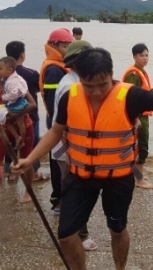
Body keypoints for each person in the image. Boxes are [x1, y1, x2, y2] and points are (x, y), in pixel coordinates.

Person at [10, 47, 153, 270]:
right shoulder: (71, 95)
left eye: (102, 85)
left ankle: (120, 267)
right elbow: (55, 132)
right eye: (89, 86)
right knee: (67, 235)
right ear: (80, 78)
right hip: (80, 176)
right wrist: (29, 159)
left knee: (117, 229)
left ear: (111, 75)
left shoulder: (131, 96)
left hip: (118, 178)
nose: (96, 92)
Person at [50, 39, 97, 250]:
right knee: (75, 191)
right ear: (77, 63)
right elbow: (63, 127)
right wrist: (72, 152)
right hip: (67, 148)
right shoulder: (70, 85)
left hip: (75, 147)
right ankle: (79, 235)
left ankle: (75, 231)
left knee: (76, 189)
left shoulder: (80, 81)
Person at [0, 56, 38, 206]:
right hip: (2, 131)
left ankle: (28, 191)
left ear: (2, 68)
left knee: (26, 160)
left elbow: (32, 104)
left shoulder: (14, 83)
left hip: (25, 126)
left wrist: (13, 115)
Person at [39, 28, 73, 210]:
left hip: (55, 119)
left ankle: (61, 198)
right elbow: (54, 101)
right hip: (56, 120)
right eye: (65, 46)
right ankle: (58, 200)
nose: (67, 50)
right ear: (53, 46)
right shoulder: (53, 69)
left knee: (59, 159)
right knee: (57, 161)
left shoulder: (57, 65)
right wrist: (60, 127)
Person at [5, 41, 46, 181]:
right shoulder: (31, 73)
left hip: (8, 115)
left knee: (11, 143)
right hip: (30, 116)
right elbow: (40, 89)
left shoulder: (4, 74)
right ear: (22, 55)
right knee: (31, 145)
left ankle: (11, 174)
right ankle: (34, 174)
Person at [122, 43, 153, 189]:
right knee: (141, 146)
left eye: (146, 55)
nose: (145, 58)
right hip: (138, 117)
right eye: (141, 55)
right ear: (134, 56)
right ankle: (139, 180)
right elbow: (130, 98)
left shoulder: (141, 71)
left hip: (143, 115)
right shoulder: (133, 74)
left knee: (141, 144)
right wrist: (135, 118)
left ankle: (138, 174)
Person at [0, 56, 29, 150]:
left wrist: (4, 97)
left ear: (10, 70)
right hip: (20, 102)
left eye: (0, 69)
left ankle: (20, 139)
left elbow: (13, 94)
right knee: (14, 122)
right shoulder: (14, 78)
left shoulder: (12, 81)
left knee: (16, 122)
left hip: (16, 104)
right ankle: (19, 138)